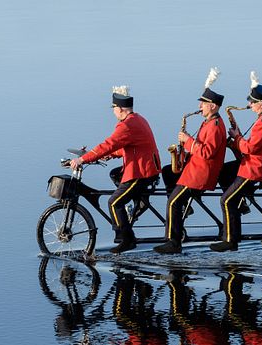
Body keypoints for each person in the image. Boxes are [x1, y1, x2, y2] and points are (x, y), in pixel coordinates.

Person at [70, 86, 160, 253]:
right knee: (115, 174)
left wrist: (83, 158)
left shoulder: (126, 125)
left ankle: (127, 239)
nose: (113, 112)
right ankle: (131, 207)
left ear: (119, 109)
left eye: (114, 109)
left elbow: (109, 144)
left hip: (141, 172)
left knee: (114, 203)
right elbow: (125, 145)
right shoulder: (137, 119)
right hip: (144, 166)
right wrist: (109, 155)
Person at [153, 68, 227, 254]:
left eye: (203, 103)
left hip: (199, 174)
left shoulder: (215, 126)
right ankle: (180, 218)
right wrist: (183, 153)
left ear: (213, 106)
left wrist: (188, 141)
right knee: (168, 172)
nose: (200, 106)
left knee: (172, 202)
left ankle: (174, 242)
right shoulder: (208, 122)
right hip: (194, 169)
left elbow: (207, 152)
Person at [209, 71, 262, 252]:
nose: (249, 105)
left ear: (261, 104)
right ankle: (237, 218)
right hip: (255, 163)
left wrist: (237, 137)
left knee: (226, 200)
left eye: (252, 102)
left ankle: (230, 240)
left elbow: (250, 148)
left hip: (254, 169)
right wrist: (239, 139)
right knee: (225, 174)